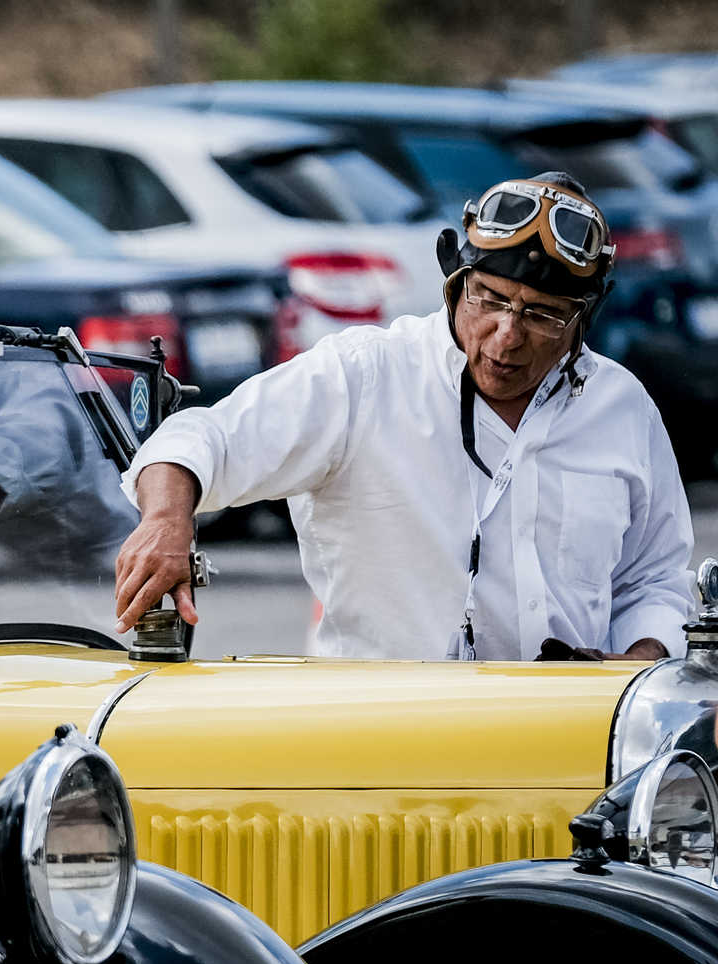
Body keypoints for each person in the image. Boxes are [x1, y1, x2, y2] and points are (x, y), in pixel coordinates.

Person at [114, 172, 694, 661]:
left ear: (582, 320)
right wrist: (167, 520)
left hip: (573, 747)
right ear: (453, 284)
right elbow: (200, 437)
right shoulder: (364, 377)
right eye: (489, 300)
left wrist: (628, 670)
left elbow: (656, 581)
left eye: (542, 316)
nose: (508, 334)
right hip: (384, 744)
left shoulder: (622, 408)